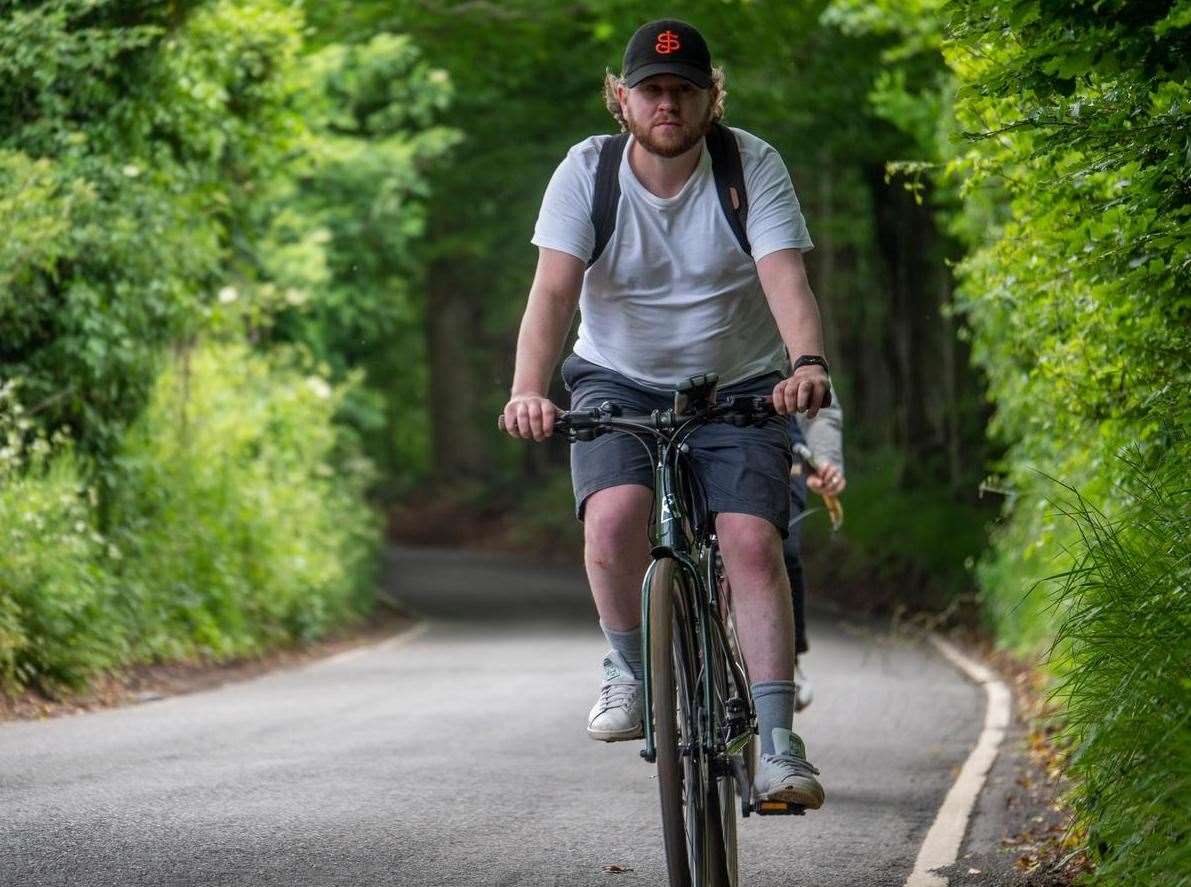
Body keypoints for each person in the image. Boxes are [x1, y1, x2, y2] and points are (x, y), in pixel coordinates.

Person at [499, 19, 830, 810]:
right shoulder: (587, 171)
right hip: (616, 376)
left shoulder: (750, 165)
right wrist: (526, 387)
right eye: (651, 89)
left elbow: (784, 276)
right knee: (612, 519)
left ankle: (780, 742)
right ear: (622, 98)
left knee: (751, 540)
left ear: (713, 97)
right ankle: (628, 668)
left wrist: (807, 363)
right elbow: (552, 291)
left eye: (684, 90)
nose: (668, 103)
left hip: (740, 383)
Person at [785, 402, 846, 712]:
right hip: (691, 448)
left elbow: (819, 406)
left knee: (784, 552)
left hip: (779, 456)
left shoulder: (789, 350)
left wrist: (824, 460)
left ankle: (786, 659)